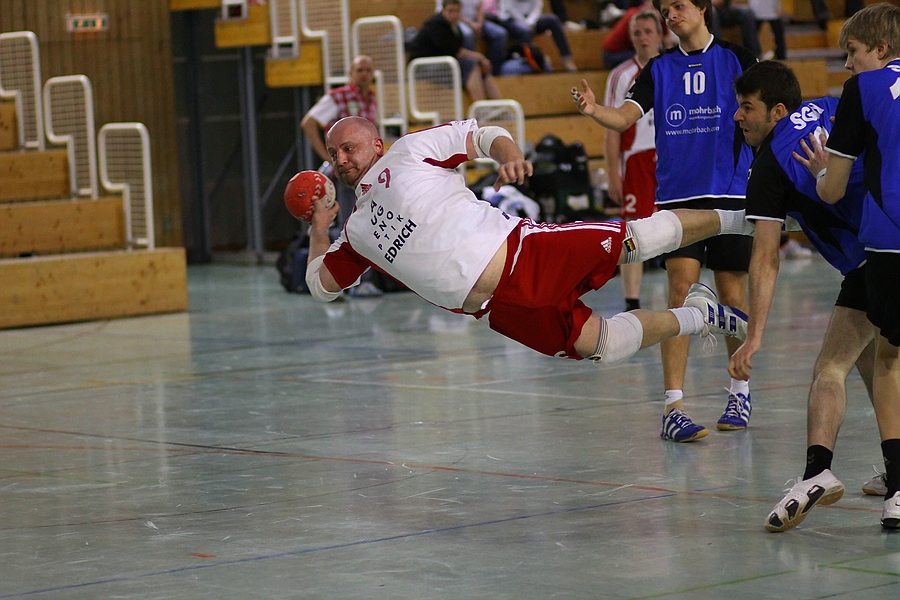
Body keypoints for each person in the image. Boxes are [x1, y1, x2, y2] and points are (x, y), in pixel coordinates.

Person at [303, 116, 754, 371]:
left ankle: (745, 220)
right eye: (333, 153)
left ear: (375, 143)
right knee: (604, 346)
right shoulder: (356, 233)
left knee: (637, 240)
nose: (341, 159)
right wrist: (319, 226)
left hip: (525, 253)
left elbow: (483, 135)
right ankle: (699, 316)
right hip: (501, 309)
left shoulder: (408, 151)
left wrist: (511, 156)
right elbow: (320, 287)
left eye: (348, 148)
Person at [573, 0, 757, 442]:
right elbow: (625, 117)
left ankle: (740, 392)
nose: (670, 15)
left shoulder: (737, 58)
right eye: (665, 9)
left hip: (731, 191)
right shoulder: (659, 68)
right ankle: (673, 407)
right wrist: (594, 110)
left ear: (702, 8)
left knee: (732, 293)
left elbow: (763, 111)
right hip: (678, 197)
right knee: (680, 295)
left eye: (678, 6)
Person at [727, 60, 882, 532]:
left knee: (829, 369)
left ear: (777, 110)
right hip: (890, 245)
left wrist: (754, 336)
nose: (738, 116)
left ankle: (818, 472)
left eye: (747, 107)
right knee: (874, 361)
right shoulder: (832, 105)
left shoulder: (769, 165)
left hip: (870, 263)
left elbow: (765, 257)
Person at [793, 2, 900, 529]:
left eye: (853, 52)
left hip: (890, 244)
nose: (848, 64)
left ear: (881, 48)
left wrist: (820, 172)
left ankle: (899, 488)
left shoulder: (863, 90)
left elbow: (833, 189)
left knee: (890, 362)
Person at [300, 55, 383, 297]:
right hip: (347, 175)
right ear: (350, 73)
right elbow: (308, 123)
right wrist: (330, 158)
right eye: (360, 70)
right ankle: (345, 283)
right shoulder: (338, 97)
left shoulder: (371, 98)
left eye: (368, 70)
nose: (364, 74)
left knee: (367, 223)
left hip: (367, 175)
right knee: (349, 224)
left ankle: (362, 281)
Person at [603, 9, 663, 312]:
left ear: (660, 35)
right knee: (634, 233)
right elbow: (612, 129)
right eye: (637, 33)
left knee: (679, 227)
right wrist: (613, 174)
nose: (643, 38)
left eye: (648, 31)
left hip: (670, 159)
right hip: (637, 161)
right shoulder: (621, 76)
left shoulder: (674, 67)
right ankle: (632, 302)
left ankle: (682, 297)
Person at [407, 0, 502, 102]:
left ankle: (499, 105)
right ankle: (480, 106)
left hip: (444, 64)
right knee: (471, 64)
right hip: (422, 68)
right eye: (451, 11)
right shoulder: (435, 24)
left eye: (457, 11)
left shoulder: (454, 27)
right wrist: (480, 57)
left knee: (482, 68)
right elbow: (454, 51)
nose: (454, 15)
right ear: (443, 11)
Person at [495, 0, 579, 72]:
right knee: (525, 31)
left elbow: (537, 7)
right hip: (510, 18)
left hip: (530, 19)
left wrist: (530, 22)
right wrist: (525, 23)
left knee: (553, 20)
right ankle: (531, 61)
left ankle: (567, 58)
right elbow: (509, 8)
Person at [435, 0, 509, 75]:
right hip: (461, 21)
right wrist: (470, 24)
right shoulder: (438, 22)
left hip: (476, 21)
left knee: (500, 34)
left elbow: (480, 7)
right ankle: (471, 66)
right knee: (468, 34)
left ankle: (494, 71)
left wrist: (479, 24)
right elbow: (451, 12)